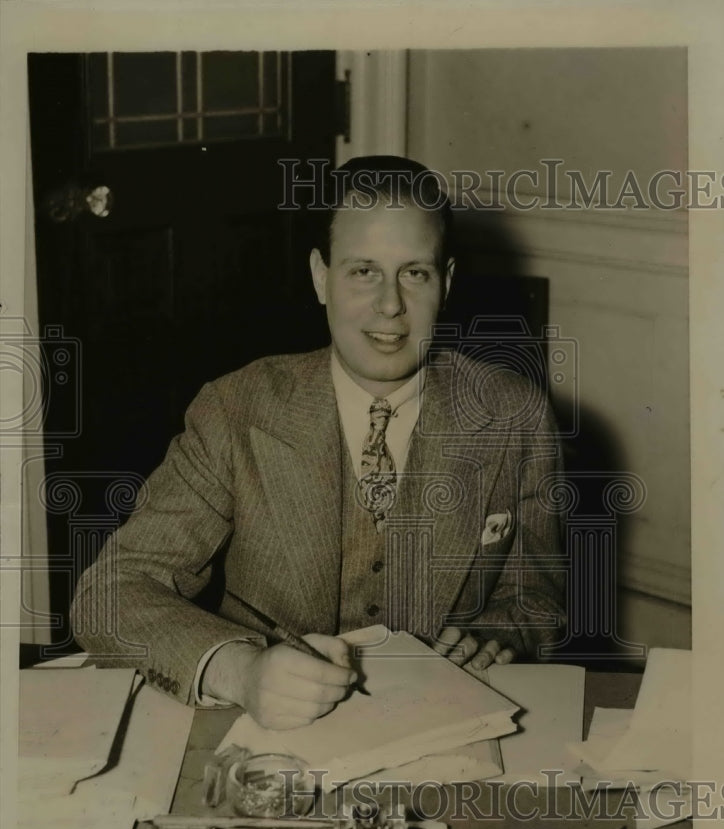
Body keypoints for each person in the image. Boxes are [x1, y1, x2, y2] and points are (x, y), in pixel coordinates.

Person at [71, 155, 566, 730]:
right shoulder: (235, 409)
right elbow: (112, 593)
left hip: (440, 726)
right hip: (261, 730)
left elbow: (537, 601)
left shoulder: (515, 414)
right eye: (362, 271)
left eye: (415, 273)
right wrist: (242, 671)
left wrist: (498, 639)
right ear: (319, 276)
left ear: (446, 284)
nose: (390, 305)